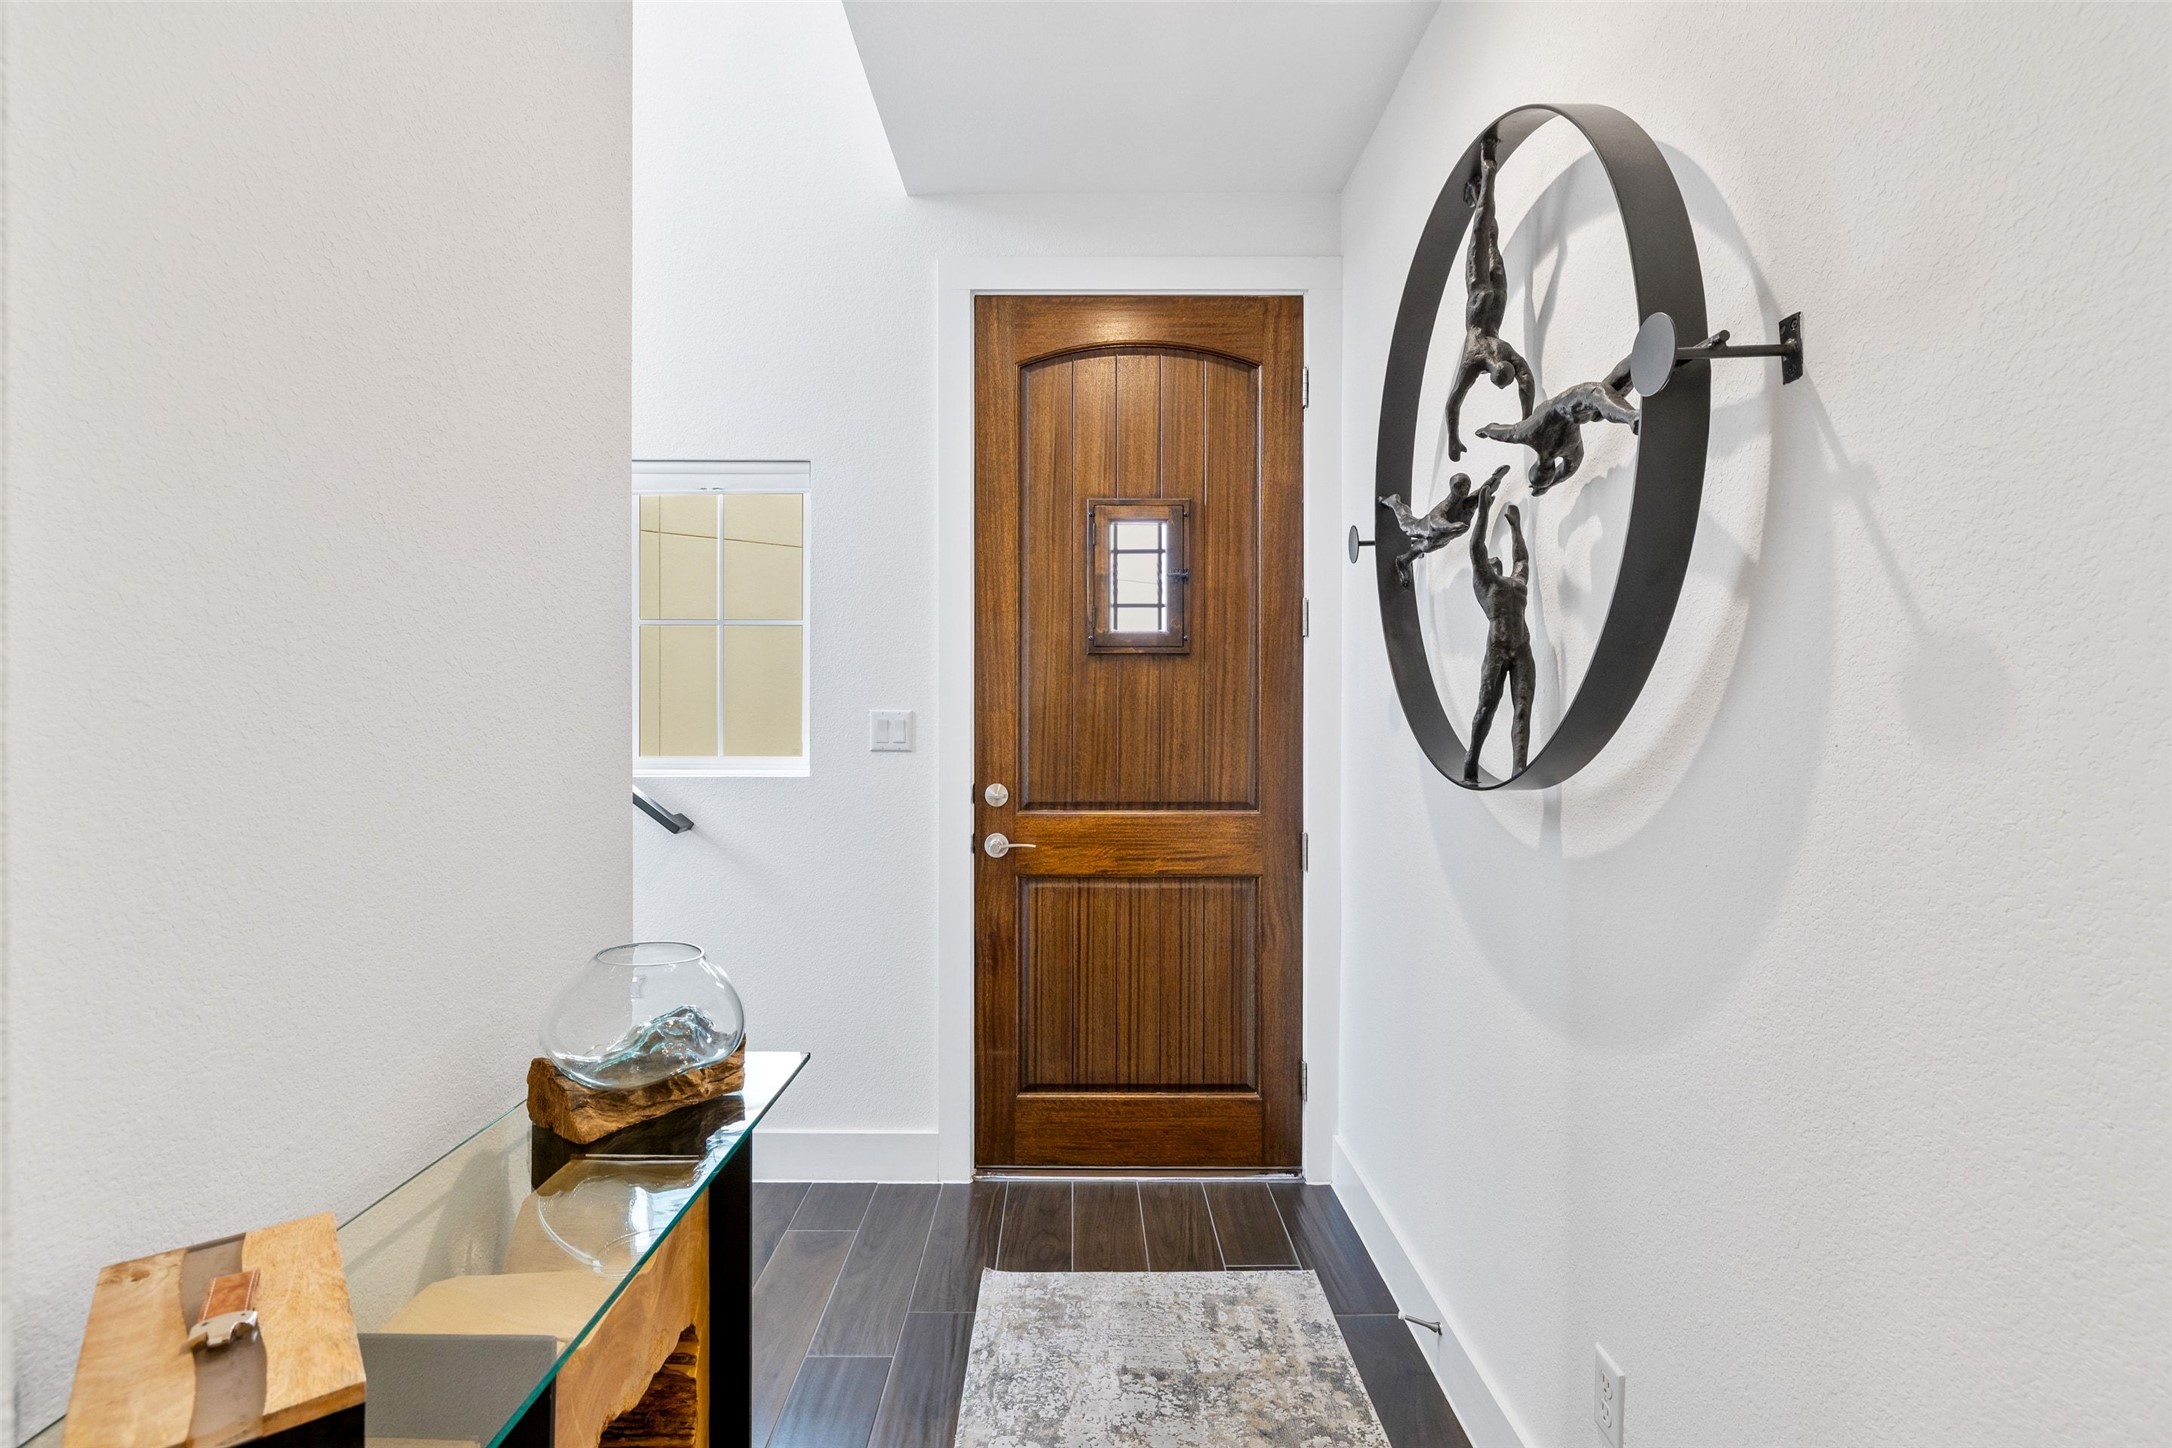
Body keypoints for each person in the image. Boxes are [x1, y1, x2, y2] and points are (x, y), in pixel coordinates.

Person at [1445, 132, 1535, 461]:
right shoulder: (1494, 354)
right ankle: (1486, 176)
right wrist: (1526, 421)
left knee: (1485, 232)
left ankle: (1485, 180)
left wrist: (1527, 420)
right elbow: (1525, 378)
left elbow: (1455, 402)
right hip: (1491, 294)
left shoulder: (1485, 355)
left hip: (1483, 292)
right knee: (1487, 233)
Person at [1465, 476, 1535, 784]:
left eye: (1495, 560)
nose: (1494, 561)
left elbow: (1521, 558)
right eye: (1489, 561)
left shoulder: (1516, 583)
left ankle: (1519, 767)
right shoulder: (1485, 583)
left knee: (1523, 708)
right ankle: (1471, 762)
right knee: (1486, 708)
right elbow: (1476, 546)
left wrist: (1516, 527)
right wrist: (1483, 509)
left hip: (1522, 647)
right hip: (1497, 648)